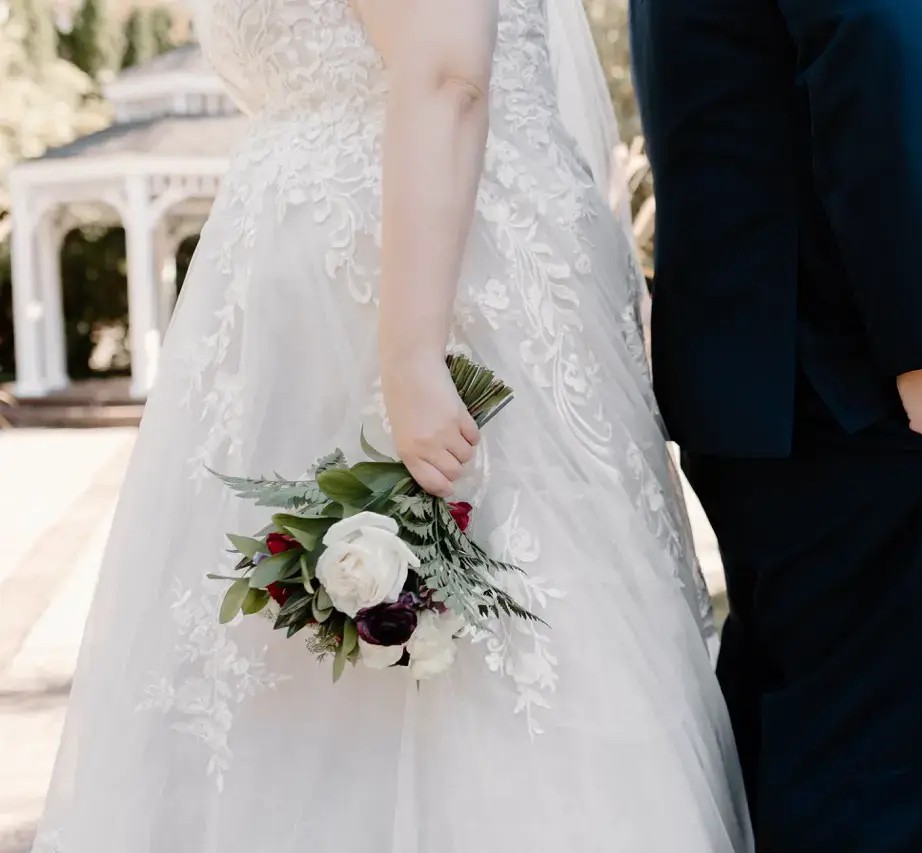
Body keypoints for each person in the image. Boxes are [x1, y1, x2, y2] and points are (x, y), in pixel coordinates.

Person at [33, 0, 751, 850]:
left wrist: (412, 357)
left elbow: (447, 71)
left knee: (492, 672)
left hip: (429, 299)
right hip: (306, 330)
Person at [631, 0, 922, 849]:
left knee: (792, 758)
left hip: (774, 356)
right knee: (867, 785)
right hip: (880, 375)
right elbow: (888, 22)